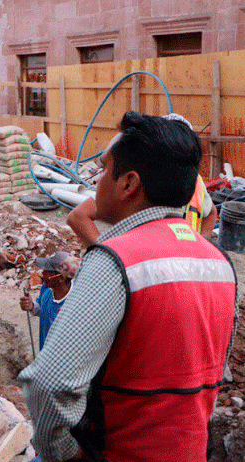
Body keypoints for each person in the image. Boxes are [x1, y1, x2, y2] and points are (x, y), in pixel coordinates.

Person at [20, 112, 237, 462]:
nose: (97, 182)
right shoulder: (220, 264)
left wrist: (64, 453)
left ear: (128, 183)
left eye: (105, 170)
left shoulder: (114, 260)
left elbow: (49, 384)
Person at [68, 113, 217, 245]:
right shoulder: (143, 182)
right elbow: (78, 216)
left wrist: (202, 241)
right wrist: (109, 253)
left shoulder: (196, 185)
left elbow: (211, 212)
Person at [19, 252, 77, 350]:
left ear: (61, 278)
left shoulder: (75, 302)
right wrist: (32, 306)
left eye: (47, 271)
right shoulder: (46, 289)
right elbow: (41, 308)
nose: (42, 274)